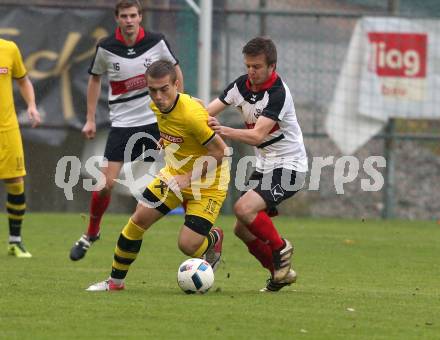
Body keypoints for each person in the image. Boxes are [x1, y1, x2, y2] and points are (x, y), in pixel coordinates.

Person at [86, 60, 230, 291]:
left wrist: (187, 178)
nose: (158, 96)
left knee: (187, 245)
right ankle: (115, 283)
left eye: (164, 89)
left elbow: (222, 152)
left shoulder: (191, 115)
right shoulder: (157, 105)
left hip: (208, 184)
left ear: (176, 85)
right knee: (137, 221)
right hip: (173, 175)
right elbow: (193, 106)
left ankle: (213, 239)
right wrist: (167, 138)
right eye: (152, 90)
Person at [69, 0, 184, 261]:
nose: (129, 20)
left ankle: (201, 230)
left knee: (183, 170)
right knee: (105, 184)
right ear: (117, 18)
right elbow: (95, 79)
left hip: (156, 121)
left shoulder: (157, 41)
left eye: (133, 15)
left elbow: (176, 72)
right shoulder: (106, 47)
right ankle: (91, 233)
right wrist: (89, 119)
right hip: (122, 125)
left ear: (140, 17)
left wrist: (179, 108)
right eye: (124, 16)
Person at [207, 37, 308, 292]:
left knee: (243, 208)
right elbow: (207, 112)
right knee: (242, 229)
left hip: (290, 167)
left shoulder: (278, 94)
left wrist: (224, 130)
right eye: (248, 66)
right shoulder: (241, 86)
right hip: (265, 166)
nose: (251, 72)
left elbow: (257, 136)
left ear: (272, 66)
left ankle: (281, 247)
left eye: (257, 67)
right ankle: (279, 274)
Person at [0, 38, 41, 258]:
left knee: (16, 183)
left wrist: (32, 106)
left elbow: (23, 80)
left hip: (7, 128)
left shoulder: (9, 48)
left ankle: (15, 242)